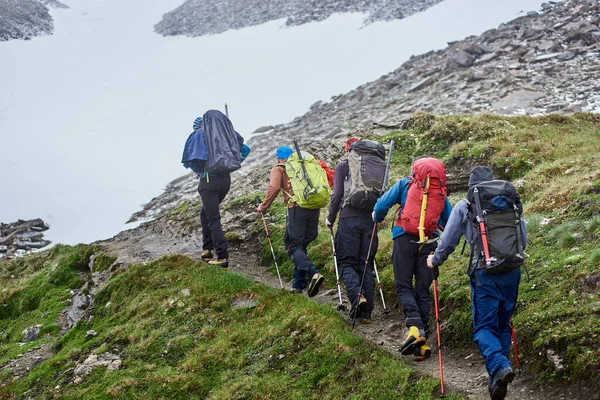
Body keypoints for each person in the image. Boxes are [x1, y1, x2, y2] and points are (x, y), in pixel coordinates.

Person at [427, 166, 527, 400]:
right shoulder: (508, 203)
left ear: (471, 185)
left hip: (485, 273)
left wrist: (435, 260)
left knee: (484, 327)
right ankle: (497, 381)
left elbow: (449, 240)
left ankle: (500, 365)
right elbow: (524, 239)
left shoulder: (467, 205)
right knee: (502, 325)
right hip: (512, 271)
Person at [372, 158, 452, 361]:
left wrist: (376, 217)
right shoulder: (440, 192)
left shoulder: (405, 184)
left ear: (416, 171)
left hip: (404, 239)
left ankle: (414, 328)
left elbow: (382, 205)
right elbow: (449, 221)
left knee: (403, 285)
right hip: (430, 243)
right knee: (423, 290)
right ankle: (421, 345)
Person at [256, 146, 325, 297]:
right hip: (313, 207)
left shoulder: (279, 168)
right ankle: (298, 284)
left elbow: (274, 187)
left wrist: (264, 206)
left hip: (296, 209)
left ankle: (313, 273)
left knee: (292, 246)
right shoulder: (304, 165)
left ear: (278, 158)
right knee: (300, 245)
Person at [184, 114, 250, 270]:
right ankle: (207, 249)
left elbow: (193, 160)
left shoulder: (199, 134)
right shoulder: (224, 134)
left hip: (208, 182)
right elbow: (245, 149)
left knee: (213, 219)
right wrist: (232, 163)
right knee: (204, 213)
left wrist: (200, 171)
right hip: (225, 181)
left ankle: (222, 257)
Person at [326, 138, 378, 324]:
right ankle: (367, 313)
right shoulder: (375, 164)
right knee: (366, 263)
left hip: (349, 218)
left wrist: (330, 218)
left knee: (346, 262)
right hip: (370, 220)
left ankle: (358, 298)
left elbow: (337, 194)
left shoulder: (343, 164)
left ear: (349, 150)